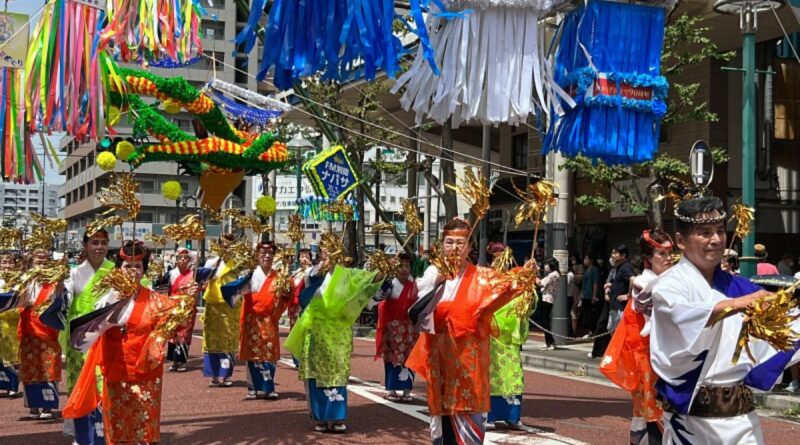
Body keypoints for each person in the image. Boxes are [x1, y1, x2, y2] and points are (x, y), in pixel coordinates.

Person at [649, 196, 800, 445]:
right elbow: (684, 313)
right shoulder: (669, 285)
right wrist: (737, 303)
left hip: (742, 421)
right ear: (680, 241)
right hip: (689, 420)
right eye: (705, 232)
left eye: (720, 231)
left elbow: (788, 326)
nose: (716, 240)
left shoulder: (740, 287)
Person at [408, 218, 531, 444]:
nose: (454, 248)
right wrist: (438, 280)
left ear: (470, 247)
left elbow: (507, 284)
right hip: (441, 359)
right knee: (442, 423)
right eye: (449, 242)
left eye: (460, 243)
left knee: (470, 419)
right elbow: (419, 311)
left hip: (471, 360)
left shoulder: (483, 276)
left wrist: (525, 274)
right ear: (441, 245)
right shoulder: (432, 273)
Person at [63, 240, 196, 445]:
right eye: (127, 266)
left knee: (144, 429)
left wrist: (188, 299)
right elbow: (89, 329)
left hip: (146, 375)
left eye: (137, 266)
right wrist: (116, 300)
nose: (132, 271)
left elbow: (178, 320)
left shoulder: (156, 300)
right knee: (117, 429)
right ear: (119, 269)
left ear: (144, 271)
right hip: (116, 373)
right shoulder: (105, 299)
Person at [284, 246, 383, 433]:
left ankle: (336, 417)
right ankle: (321, 417)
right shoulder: (313, 273)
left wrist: (382, 270)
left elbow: (371, 283)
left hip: (339, 332)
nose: (330, 256)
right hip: (316, 331)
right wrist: (319, 271)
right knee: (315, 374)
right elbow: (303, 294)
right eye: (326, 252)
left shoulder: (349, 275)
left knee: (337, 373)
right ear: (321, 254)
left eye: (334, 251)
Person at [600, 230, 674, 445]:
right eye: (662, 253)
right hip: (649, 357)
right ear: (649, 258)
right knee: (652, 411)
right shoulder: (643, 282)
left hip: (669, 356)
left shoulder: (671, 278)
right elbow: (649, 300)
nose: (669, 258)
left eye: (670, 253)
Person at [64, 228, 114, 444]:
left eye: (103, 242)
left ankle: (104, 431)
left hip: (104, 336)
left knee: (103, 384)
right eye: (94, 242)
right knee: (79, 384)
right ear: (86, 245)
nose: (99, 247)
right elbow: (64, 300)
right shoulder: (74, 273)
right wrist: (59, 289)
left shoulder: (114, 271)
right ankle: (80, 433)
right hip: (80, 338)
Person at [487, 243, 535, 430]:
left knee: (514, 375)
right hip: (492, 333)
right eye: (497, 258)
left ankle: (512, 417)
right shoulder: (487, 279)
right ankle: (489, 416)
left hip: (510, 335)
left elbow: (529, 302)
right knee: (492, 374)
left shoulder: (516, 279)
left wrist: (528, 281)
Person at [240, 242, 291, 400]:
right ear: (257, 255)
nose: (267, 256)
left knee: (268, 353)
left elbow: (286, 296)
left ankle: (269, 387)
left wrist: (287, 289)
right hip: (252, 318)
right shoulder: (249, 274)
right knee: (252, 353)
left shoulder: (279, 276)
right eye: (263, 252)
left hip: (269, 319)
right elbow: (237, 292)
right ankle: (252, 388)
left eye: (270, 253)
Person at [17, 247, 62, 419]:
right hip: (29, 332)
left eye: (45, 262)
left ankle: (47, 407)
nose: (42, 265)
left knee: (48, 369)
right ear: (31, 263)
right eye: (38, 261)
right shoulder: (23, 281)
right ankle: (33, 407)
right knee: (30, 370)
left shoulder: (54, 283)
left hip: (48, 333)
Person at [374, 252, 418, 402]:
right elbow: (378, 298)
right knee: (392, 358)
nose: (404, 269)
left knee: (410, 358)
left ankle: (406, 391)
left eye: (407, 266)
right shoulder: (391, 284)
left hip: (409, 329)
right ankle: (392, 389)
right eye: (401, 266)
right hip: (392, 329)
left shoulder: (416, 285)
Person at [201, 234, 240, 387]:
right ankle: (214, 375)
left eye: (230, 244)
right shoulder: (212, 261)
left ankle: (226, 375)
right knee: (212, 339)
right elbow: (201, 279)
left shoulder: (238, 263)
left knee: (229, 339)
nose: (226, 247)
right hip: (213, 306)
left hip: (230, 306)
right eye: (224, 244)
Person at [591, 245, 633, 358]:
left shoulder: (626, 267)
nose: (612, 256)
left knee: (621, 330)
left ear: (623, 255)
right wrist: (611, 285)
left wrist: (629, 295)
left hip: (620, 307)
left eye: (615, 253)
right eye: (612, 253)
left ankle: (622, 353)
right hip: (613, 306)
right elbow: (620, 282)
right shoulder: (619, 268)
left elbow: (633, 279)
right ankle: (617, 351)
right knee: (611, 329)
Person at [166, 247, 197, 372]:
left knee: (184, 334)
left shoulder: (193, 274)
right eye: (180, 258)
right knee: (173, 334)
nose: (183, 260)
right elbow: (165, 289)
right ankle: (174, 361)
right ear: (176, 259)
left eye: (185, 258)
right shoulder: (170, 273)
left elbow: (198, 288)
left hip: (187, 307)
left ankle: (182, 361)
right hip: (173, 306)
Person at [0, 250, 21, 398]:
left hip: (14, 320)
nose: (7, 265)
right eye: (4, 262)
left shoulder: (20, 280)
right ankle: (4, 384)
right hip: (0, 320)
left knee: (14, 355)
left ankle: (14, 385)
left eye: (10, 262)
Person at [538, 258, 560, 350]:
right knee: (545, 321)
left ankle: (550, 342)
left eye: (547, 264)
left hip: (547, 299)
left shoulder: (552, 274)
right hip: (549, 299)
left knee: (545, 322)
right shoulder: (555, 274)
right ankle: (549, 342)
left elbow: (540, 284)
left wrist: (536, 274)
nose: (545, 266)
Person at [580, 254, 600, 336]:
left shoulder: (594, 270)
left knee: (590, 314)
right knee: (586, 313)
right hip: (585, 295)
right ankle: (588, 331)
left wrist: (594, 296)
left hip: (590, 295)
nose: (585, 260)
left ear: (591, 260)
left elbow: (595, 283)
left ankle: (591, 331)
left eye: (586, 258)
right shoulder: (587, 269)